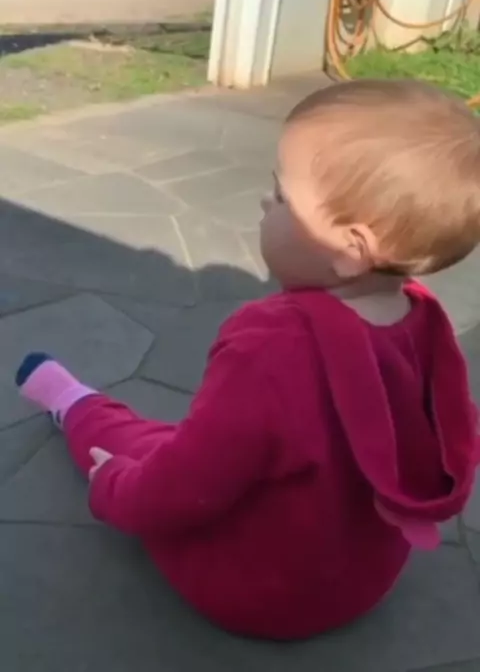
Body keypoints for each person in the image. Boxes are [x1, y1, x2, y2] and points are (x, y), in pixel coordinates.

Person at [16, 79, 480, 641]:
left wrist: (113, 487)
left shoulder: (272, 345)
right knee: (216, 447)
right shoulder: (424, 319)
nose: (265, 201)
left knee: (148, 446)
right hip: (359, 579)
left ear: (350, 251)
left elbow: (188, 483)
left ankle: (74, 404)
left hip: (257, 591)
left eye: (281, 196)